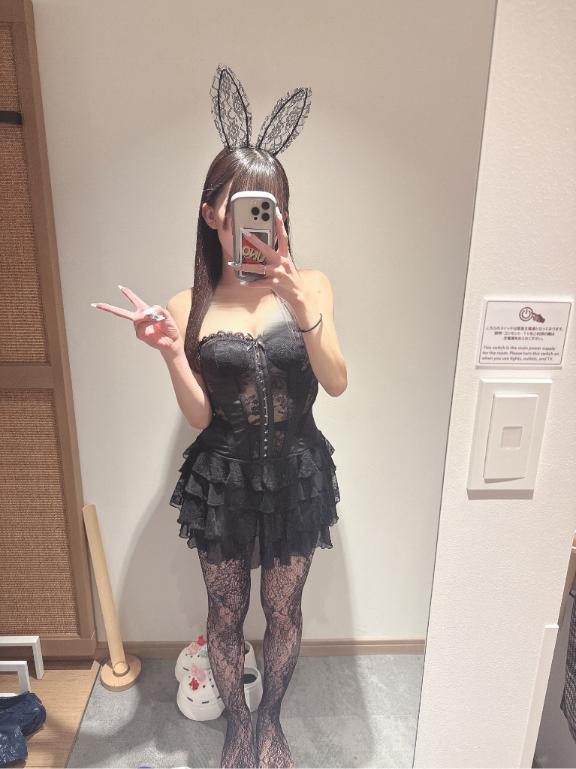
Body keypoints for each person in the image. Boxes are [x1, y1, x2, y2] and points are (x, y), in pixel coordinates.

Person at [92, 66, 347, 769]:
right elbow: (202, 413)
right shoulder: (188, 304)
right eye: (247, 206)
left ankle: (272, 722)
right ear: (212, 213)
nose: (264, 221)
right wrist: (172, 352)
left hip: (297, 472)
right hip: (224, 478)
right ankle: (238, 723)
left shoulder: (312, 285)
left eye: (275, 207)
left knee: (285, 610)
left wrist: (303, 307)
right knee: (226, 613)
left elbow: (337, 381)